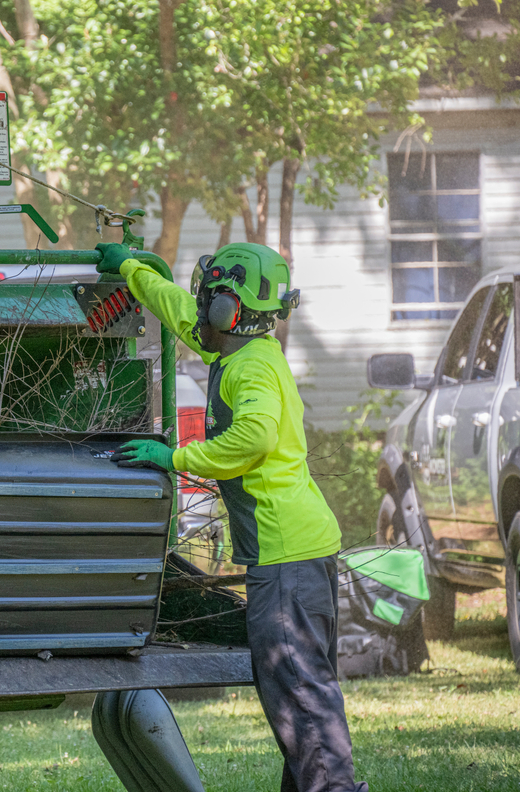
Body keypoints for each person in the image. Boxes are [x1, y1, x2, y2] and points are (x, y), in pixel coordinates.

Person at [98, 242, 367, 792]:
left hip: (286, 558)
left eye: (208, 299)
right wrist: (132, 269)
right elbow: (178, 313)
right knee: (298, 697)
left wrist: (176, 458)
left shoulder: (251, 369)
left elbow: (255, 437)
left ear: (228, 309)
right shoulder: (242, 350)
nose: (198, 308)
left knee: (302, 701)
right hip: (299, 552)